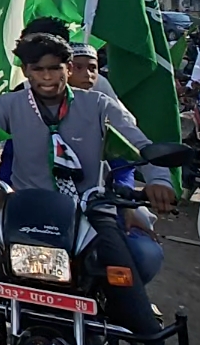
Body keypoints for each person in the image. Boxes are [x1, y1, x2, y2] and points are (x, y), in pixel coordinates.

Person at [0, 32, 174, 345]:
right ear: (26, 71)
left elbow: (141, 145)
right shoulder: (8, 106)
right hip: (27, 210)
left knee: (135, 308)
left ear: (68, 68)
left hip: (89, 212)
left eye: (55, 68)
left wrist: (159, 180)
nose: (48, 77)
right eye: (38, 69)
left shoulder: (99, 105)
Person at [68, 43, 163, 288]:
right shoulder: (31, 106)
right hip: (48, 202)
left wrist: (125, 201)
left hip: (99, 201)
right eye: (77, 67)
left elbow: (125, 158)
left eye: (92, 68)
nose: (86, 75)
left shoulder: (105, 109)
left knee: (143, 254)